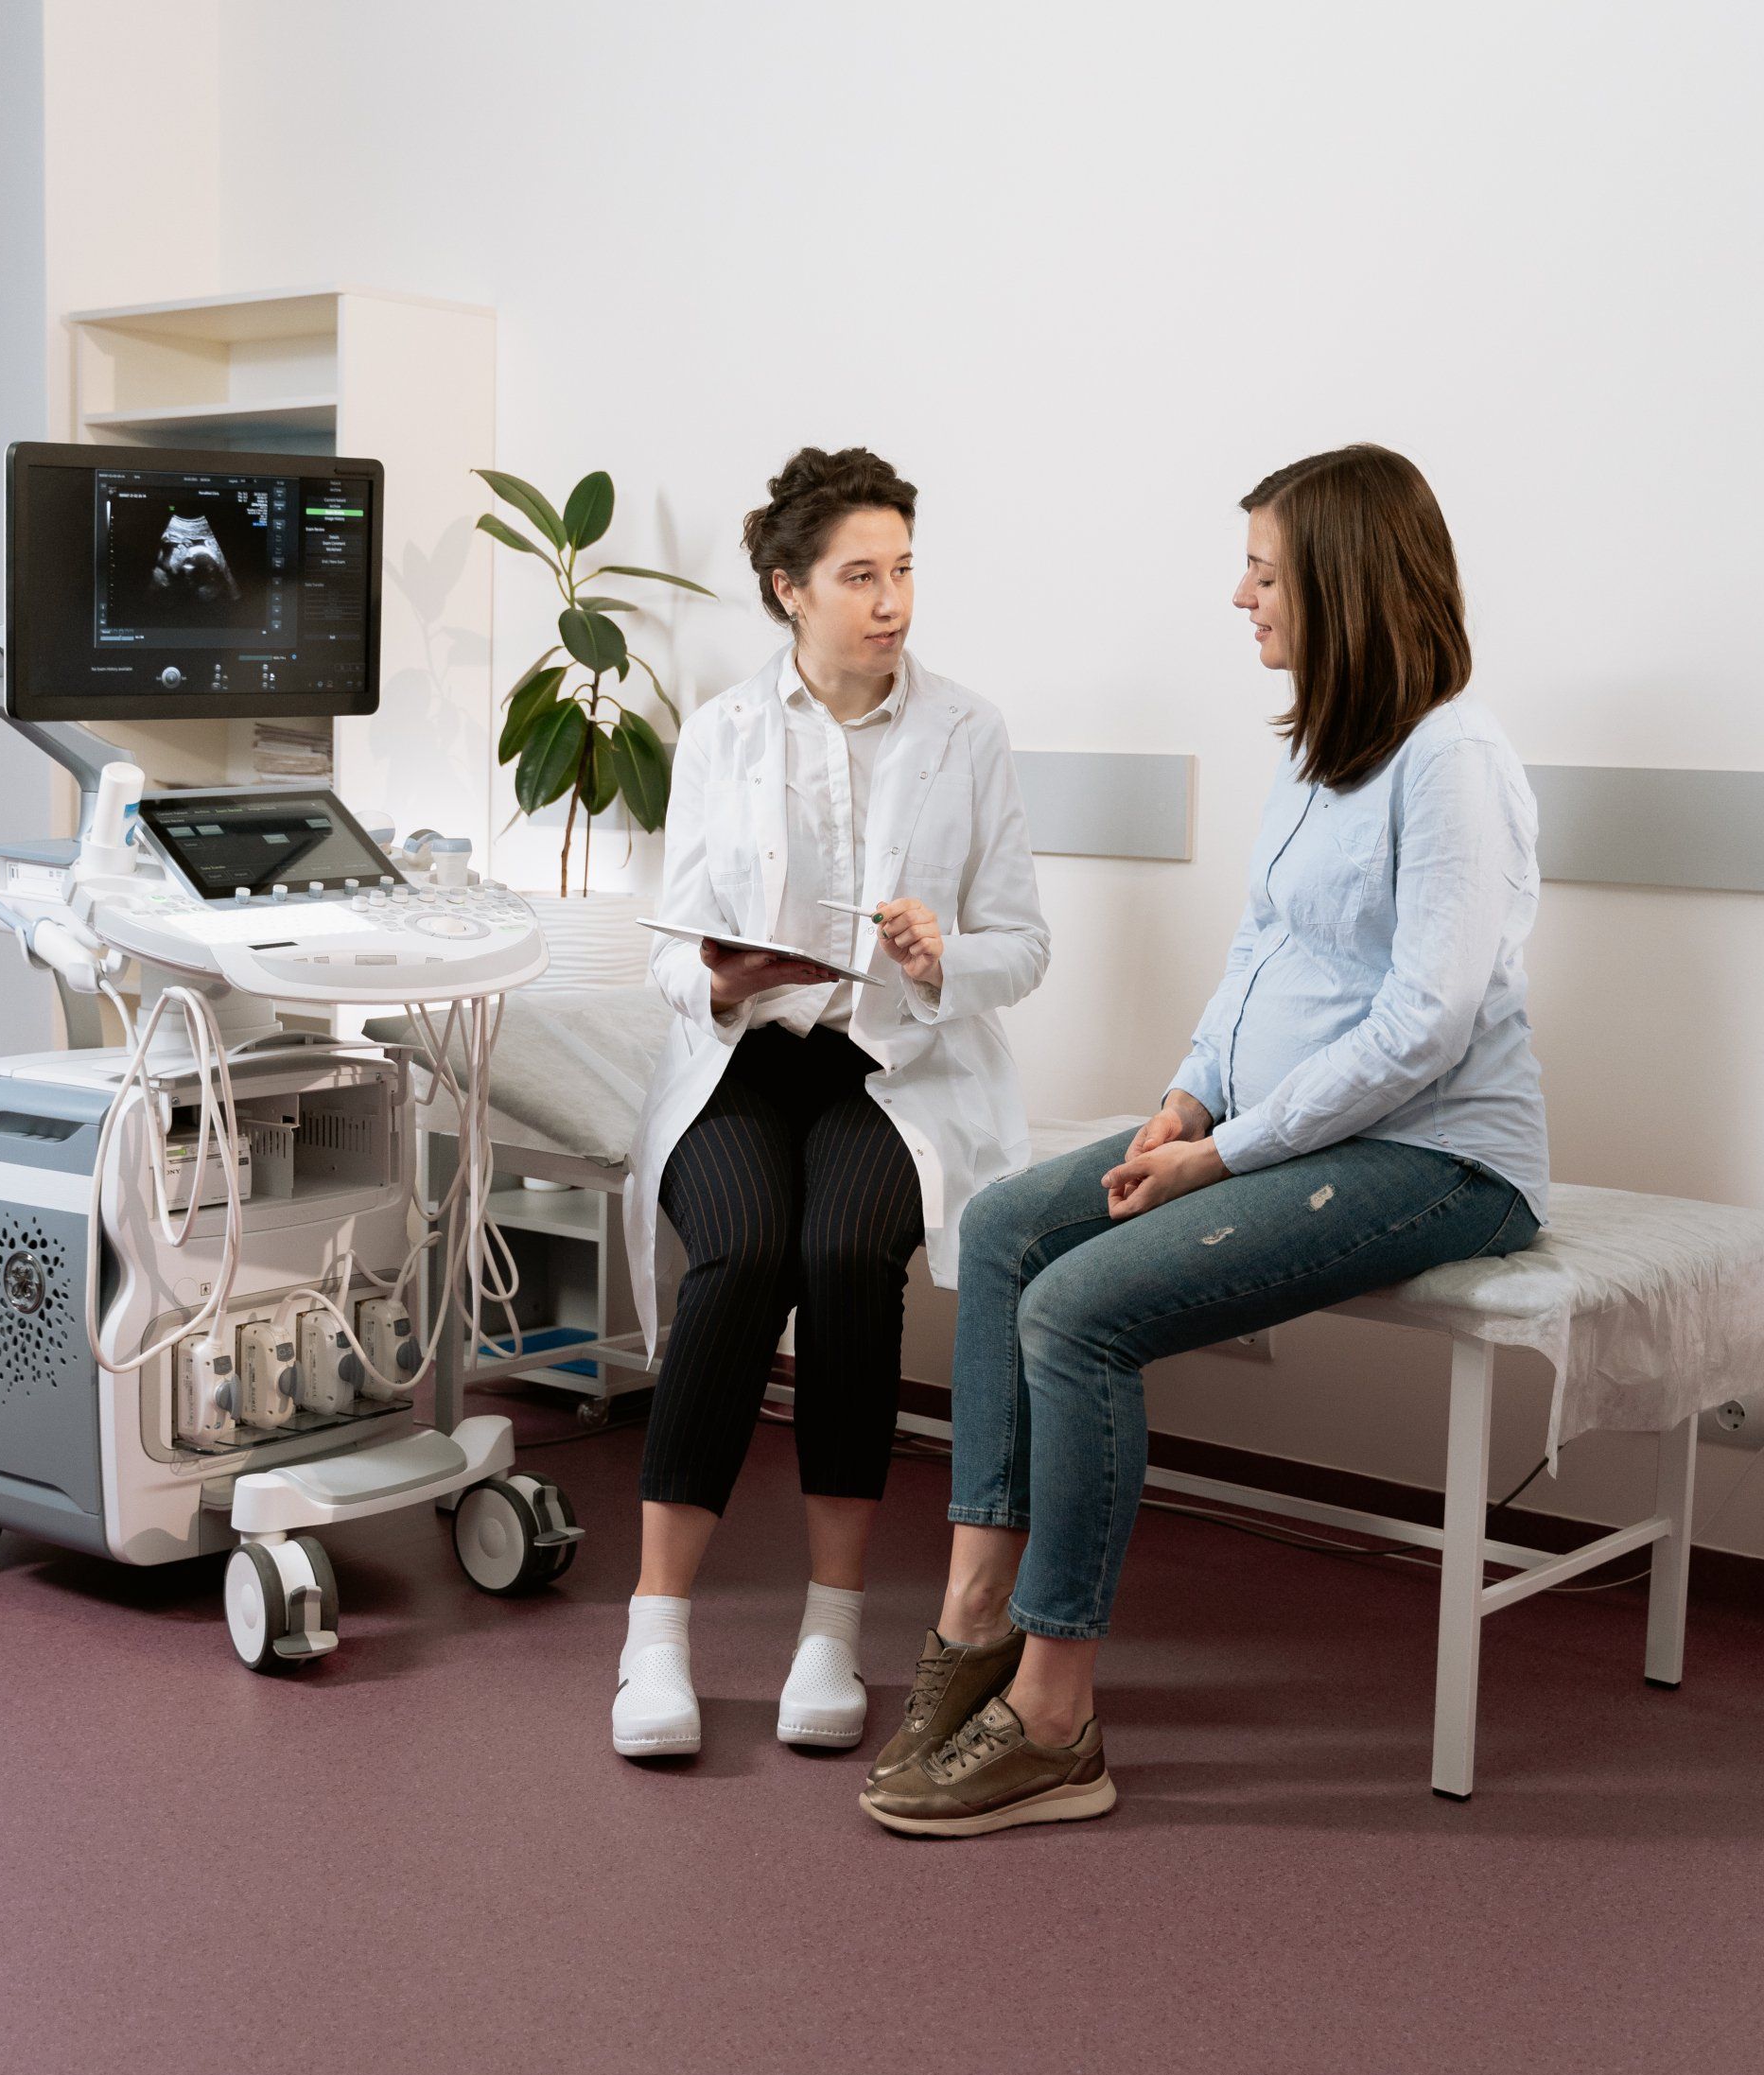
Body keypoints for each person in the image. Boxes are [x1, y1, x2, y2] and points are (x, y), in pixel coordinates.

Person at [862, 443, 1548, 1838]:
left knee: (1077, 1312)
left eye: (1264, 570)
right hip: (1280, 1129)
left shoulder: (1453, 759)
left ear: (1344, 584)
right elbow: (1261, 958)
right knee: (1003, 1227)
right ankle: (975, 1621)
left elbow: (1423, 1028)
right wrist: (1186, 1095)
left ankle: (1056, 1720)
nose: (1240, 596)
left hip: (1441, 1160)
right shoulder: (1319, 751)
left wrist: (1225, 1157)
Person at [617, 445, 1049, 1760]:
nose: (892, 599)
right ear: (787, 588)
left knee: (847, 1257)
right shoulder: (725, 732)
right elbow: (660, 947)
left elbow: (1021, 946)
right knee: (743, 1255)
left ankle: (830, 1627)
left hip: (893, 1066)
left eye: (904, 569)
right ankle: (656, 1631)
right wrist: (716, 971)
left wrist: (941, 956)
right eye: (860, 574)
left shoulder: (968, 732)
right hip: (748, 1056)